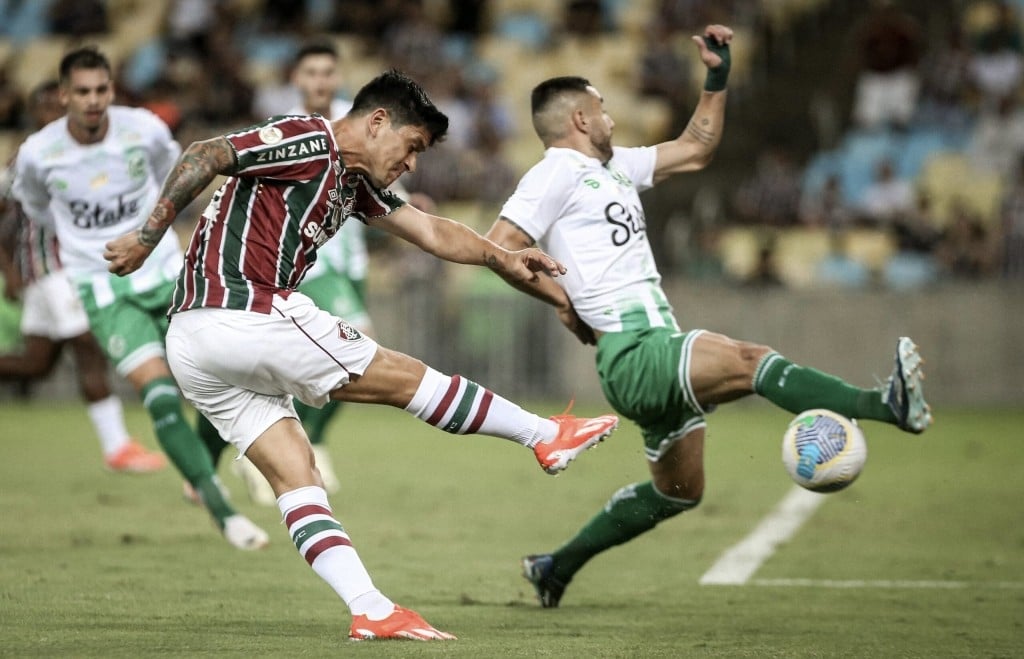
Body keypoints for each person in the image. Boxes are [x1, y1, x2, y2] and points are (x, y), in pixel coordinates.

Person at [103, 68, 620, 641]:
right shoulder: (309, 139)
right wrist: (146, 238)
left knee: (297, 474)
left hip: (194, 343)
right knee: (405, 376)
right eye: (412, 146)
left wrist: (503, 257)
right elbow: (208, 151)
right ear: (377, 122)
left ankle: (370, 608)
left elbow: (430, 230)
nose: (412, 164)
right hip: (246, 309)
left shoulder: (353, 183)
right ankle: (541, 434)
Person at [484, 25, 933, 609]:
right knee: (751, 361)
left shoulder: (615, 166)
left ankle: (555, 567)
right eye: (602, 108)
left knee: (678, 491)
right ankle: (884, 405)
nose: (612, 118)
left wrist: (716, 79)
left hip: (650, 348)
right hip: (634, 351)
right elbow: (499, 245)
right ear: (578, 120)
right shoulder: (555, 172)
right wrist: (564, 302)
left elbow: (696, 148)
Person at [11, 47, 269, 550]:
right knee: (159, 394)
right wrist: (84, 247)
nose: (92, 101)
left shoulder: (144, 130)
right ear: (64, 95)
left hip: (167, 271)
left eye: (100, 90)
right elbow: (37, 207)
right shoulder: (39, 154)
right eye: (81, 92)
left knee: (224, 374)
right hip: (103, 286)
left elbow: (169, 176)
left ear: (112, 90)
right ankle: (220, 507)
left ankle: (202, 468)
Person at [0, 80, 165, 473]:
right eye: (44, 108)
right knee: (88, 344)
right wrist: (9, 269)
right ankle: (118, 447)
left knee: (36, 364)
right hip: (49, 269)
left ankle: (118, 446)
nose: (52, 115)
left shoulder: (83, 155)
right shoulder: (26, 157)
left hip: (65, 271)